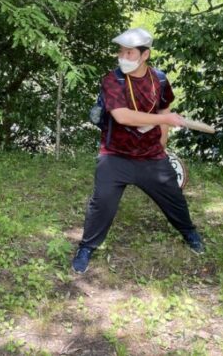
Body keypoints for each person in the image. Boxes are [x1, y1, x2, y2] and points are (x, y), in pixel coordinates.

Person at [71, 28, 204, 274]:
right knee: (102, 203)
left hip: (151, 156)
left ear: (145, 55)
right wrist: (165, 120)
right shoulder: (112, 80)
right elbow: (122, 116)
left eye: (129, 52)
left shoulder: (160, 80)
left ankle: (189, 233)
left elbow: (164, 109)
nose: (122, 57)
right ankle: (86, 248)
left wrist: (162, 141)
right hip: (115, 155)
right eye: (121, 52)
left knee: (174, 198)